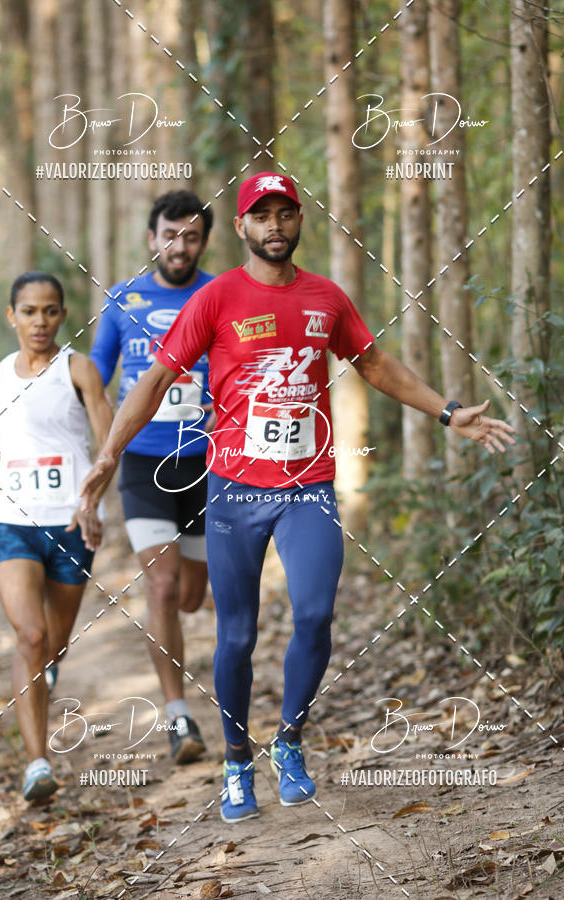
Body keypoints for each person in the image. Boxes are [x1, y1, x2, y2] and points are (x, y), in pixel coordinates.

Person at [80, 172, 515, 823]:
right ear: (243, 226)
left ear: (299, 220)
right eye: (263, 215)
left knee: (314, 615)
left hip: (307, 488)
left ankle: (288, 742)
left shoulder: (326, 298)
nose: (275, 226)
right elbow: (154, 379)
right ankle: (234, 761)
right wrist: (109, 455)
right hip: (231, 490)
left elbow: (374, 365)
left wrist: (447, 411)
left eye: (286, 214)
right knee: (239, 635)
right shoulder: (218, 297)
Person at [0, 271, 113, 801]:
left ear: (62, 317)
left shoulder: (80, 371)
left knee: (52, 644)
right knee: (29, 636)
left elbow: (107, 443)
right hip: (13, 522)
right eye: (29, 311)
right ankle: (37, 764)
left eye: (50, 311)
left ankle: (45, 673)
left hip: (72, 525)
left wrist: (93, 498)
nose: (40, 321)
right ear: (12, 316)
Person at [89, 191, 215, 764]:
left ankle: (180, 690)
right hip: (142, 462)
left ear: (204, 242)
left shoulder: (219, 295)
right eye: (169, 234)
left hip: (208, 462)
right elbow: (95, 373)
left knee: (190, 596)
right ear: (151, 238)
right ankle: (178, 714)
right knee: (161, 587)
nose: (179, 246)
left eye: (190, 236)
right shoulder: (122, 299)